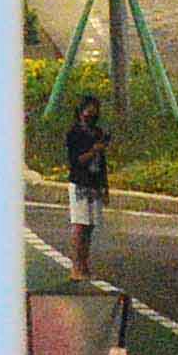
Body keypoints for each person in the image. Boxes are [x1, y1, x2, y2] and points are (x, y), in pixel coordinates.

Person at [62, 90, 113, 280]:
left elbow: (103, 162)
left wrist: (105, 187)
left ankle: (85, 264)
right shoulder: (74, 133)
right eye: (88, 112)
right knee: (80, 225)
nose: (91, 115)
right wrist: (93, 150)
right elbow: (76, 161)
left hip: (94, 182)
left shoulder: (98, 132)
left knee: (90, 226)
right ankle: (76, 266)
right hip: (80, 182)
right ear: (81, 112)